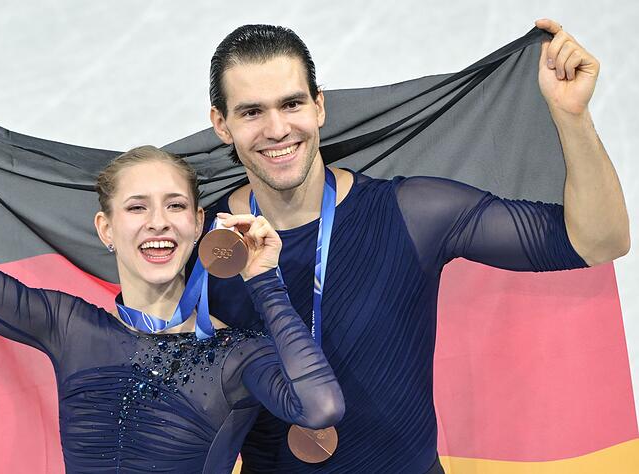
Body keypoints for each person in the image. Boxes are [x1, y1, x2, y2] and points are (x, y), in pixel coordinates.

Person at [0, 51, 345, 474]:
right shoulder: (69, 326)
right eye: (136, 208)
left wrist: (264, 279)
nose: (158, 222)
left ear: (197, 224)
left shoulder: (236, 355)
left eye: (175, 206)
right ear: (106, 229)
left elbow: (320, 407)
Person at [198, 18, 630, 473]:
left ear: (319, 106)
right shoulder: (201, 246)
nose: (277, 128)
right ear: (221, 124)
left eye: (292, 104)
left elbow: (599, 241)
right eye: (251, 112)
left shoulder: (412, 213)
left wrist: (572, 117)